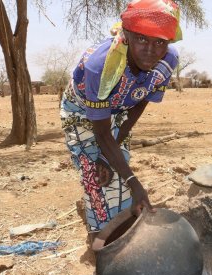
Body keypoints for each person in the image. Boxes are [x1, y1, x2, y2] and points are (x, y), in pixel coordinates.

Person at [60, 0, 181, 236]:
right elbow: (102, 133)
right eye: (142, 39)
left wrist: (112, 155)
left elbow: (141, 100)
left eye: (160, 42)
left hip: (121, 110)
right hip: (82, 112)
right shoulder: (100, 65)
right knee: (96, 175)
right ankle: (101, 241)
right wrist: (134, 182)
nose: (151, 50)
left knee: (117, 166)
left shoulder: (168, 61)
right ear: (127, 35)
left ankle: (123, 228)